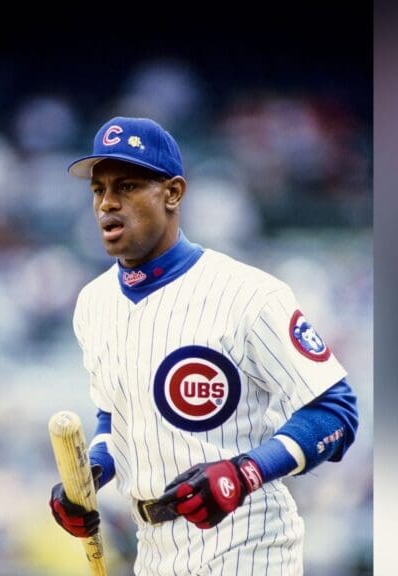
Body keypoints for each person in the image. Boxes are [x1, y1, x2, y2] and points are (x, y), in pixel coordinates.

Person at [49, 116, 359, 575]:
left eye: (128, 186)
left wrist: (246, 470)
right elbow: (115, 416)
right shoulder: (93, 303)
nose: (107, 203)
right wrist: (91, 473)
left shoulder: (248, 294)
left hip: (248, 543)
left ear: (173, 193)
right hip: (152, 547)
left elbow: (337, 411)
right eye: (98, 189)